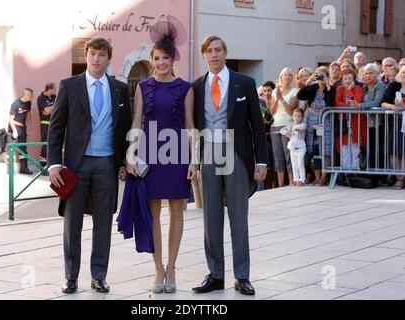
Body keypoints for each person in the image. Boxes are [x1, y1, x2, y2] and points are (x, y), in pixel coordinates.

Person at [47, 37, 131, 294]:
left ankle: (99, 276)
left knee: (103, 223)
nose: (96, 59)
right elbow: (56, 127)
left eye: (102, 55)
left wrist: (124, 161)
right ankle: (71, 277)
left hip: (106, 164)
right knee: (72, 223)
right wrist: (54, 164)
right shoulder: (70, 86)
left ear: (108, 59)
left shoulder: (119, 89)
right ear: (87, 56)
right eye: (92, 54)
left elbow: (125, 129)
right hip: (75, 166)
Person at [191, 35, 268, 296]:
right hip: (209, 152)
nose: (213, 55)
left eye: (218, 50)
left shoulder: (244, 83)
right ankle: (215, 274)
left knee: (238, 218)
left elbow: (257, 125)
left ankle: (242, 276)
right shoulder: (197, 86)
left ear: (225, 53)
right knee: (211, 217)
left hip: (235, 151)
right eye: (208, 51)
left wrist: (262, 160)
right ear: (204, 56)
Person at [126, 23, 196, 294]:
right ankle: (157, 270)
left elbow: (190, 124)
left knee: (177, 212)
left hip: (177, 152)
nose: (161, 63)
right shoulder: (143, 87)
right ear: (152, 60)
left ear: (173, 59)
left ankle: (172, 268)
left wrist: (194, 160)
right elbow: (135, 120)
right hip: (150, 152)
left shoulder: (186, 87)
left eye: (166, 58)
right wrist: (131, 155)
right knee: (153, 212)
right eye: (156, 59)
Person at [297, 66, 336, 186]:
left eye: (322, 75)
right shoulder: (313, 88)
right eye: (318, 75)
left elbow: (331, 103)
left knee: (326, 148)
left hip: (325, 121)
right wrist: (308, 82)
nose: (320, 78)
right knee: (313, 148)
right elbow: (300, 96)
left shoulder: (331, 89)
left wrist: (328, 86)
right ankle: (317, 176)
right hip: (311, 121)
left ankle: (324, 176)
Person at [269, 67, 299, 187]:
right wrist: (276, 98)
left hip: (288, 125)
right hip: (275, 126)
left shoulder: (295, 92)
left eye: (290, 75)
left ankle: (291, 180)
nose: (287, 77)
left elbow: (290, 110)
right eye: (285, 75)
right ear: (280, 77)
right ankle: (281, 184)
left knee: (288, 154)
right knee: (278, 155)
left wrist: (281, 98)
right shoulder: (275, 92)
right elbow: (272, 111)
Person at [335, 68, 366, 170]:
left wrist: (349, 91)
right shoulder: (339, 89)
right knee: (344, 148)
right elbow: (337, 103)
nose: (347, 81)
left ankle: (355, 171)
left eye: (350, 78)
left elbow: (357, 101)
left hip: (355, 122)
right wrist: (349, 105)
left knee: (355, 148)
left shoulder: (358, 89)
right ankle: (346, 172)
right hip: (343, 123)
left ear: (353, 79)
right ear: (342, 79)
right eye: (345, 78)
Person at [381, 65, 405, 189]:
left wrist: (403, 106)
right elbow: (383, 102)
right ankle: (397, 176)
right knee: (393, 151)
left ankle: (401, 179)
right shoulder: (394, 86)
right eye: (403, 72)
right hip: (395, 123)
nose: (404, 74)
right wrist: (392, 106)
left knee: (404, 152)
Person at [8, 88, 33, 175]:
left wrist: (29, 125)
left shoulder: (28, 103)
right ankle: (10, 169)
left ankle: (24, 168)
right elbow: (10, 120)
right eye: (30, 95)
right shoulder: (15, 104)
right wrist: (14, 131)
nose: (32, 97)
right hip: (14, 127)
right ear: (25, 95)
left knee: (23, 149)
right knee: (11, 149)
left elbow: (29, 113)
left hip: (22, 128)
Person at [280, 108, 307, 186]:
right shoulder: (290, 125)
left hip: (301, 148)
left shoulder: (303, 124)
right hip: (292, 149)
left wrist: (295, 128)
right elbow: (282, 130)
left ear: (302, 117)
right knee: (294, 165)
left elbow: (302, 128)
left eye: (299, 116)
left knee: (300, 164)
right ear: (292, 117)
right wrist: (286, 132)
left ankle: (302, 179)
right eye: (295, 116)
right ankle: (295, 179)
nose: (297, 118)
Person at [37, 82, 56, 175]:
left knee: (53, 145)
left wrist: (51, 108)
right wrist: (54, 107)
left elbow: (58, 106)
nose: (55, 90)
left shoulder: (54, 97)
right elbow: (46, 111)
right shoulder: (40, 98)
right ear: (49, 89)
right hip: (45, 125)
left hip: (54, 124)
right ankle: (42, 167)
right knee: (45, 145)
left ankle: (50, 166)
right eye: (54, 89)